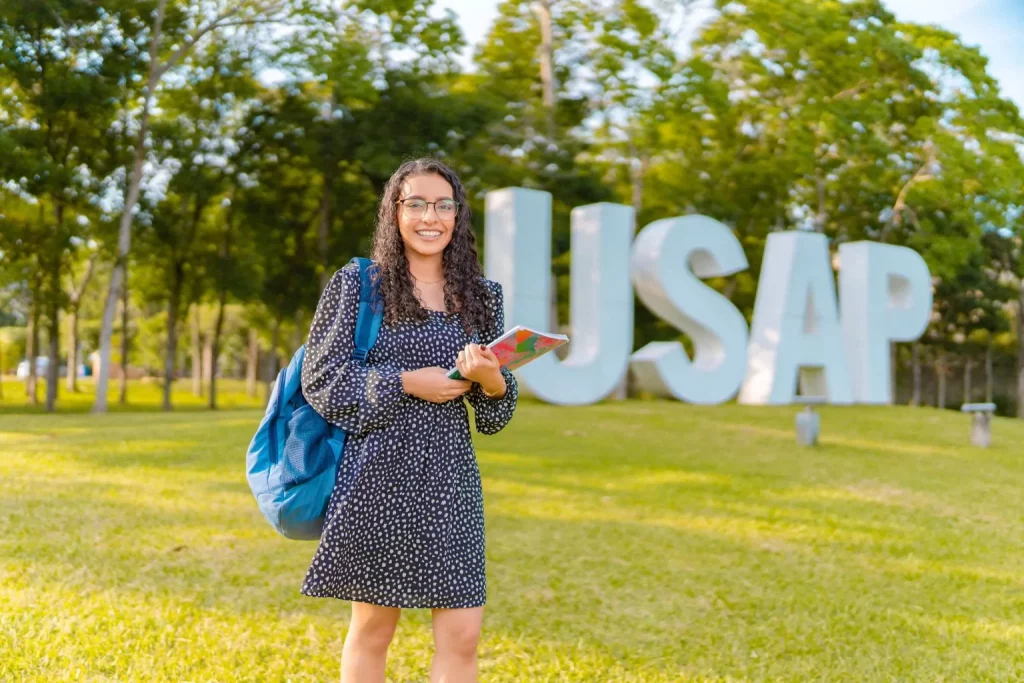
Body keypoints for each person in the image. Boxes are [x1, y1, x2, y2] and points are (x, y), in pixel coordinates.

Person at [299, 157, 519, 683]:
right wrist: (405, 381)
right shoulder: (360, 284)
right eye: (415, 203)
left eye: (443, 204)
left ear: (458, 215)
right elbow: (321, 380)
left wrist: (491, 380)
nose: (430, 216)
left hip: (450, 478)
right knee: (374, 629)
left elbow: (494, 413)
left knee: (463, 634)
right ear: (394, 212)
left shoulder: (483, 297)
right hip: (377, 474)